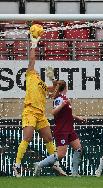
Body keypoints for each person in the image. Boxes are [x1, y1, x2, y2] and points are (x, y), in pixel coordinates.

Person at [13, 34, 66, 177]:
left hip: (41, 114)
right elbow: (32, 60)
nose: (36, 70)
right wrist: (34, 44)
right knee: (27, 138)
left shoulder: (41, 84)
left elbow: (56, 89)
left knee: (49, 138)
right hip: (30, 111)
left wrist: (53, 78)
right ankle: (17, 165)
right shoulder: (30, 75)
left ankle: (55, 163)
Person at [34, 80, 85, 177]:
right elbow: (53, 112)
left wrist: (77, 117)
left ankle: (74, 173)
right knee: (61, 154)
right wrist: (62, 105)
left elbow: (67, 113)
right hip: (62, 130)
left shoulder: (64, 98)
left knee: (78, 149)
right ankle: (39, 164)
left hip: (69, 129)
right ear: (66, 87)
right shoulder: (59, 99)